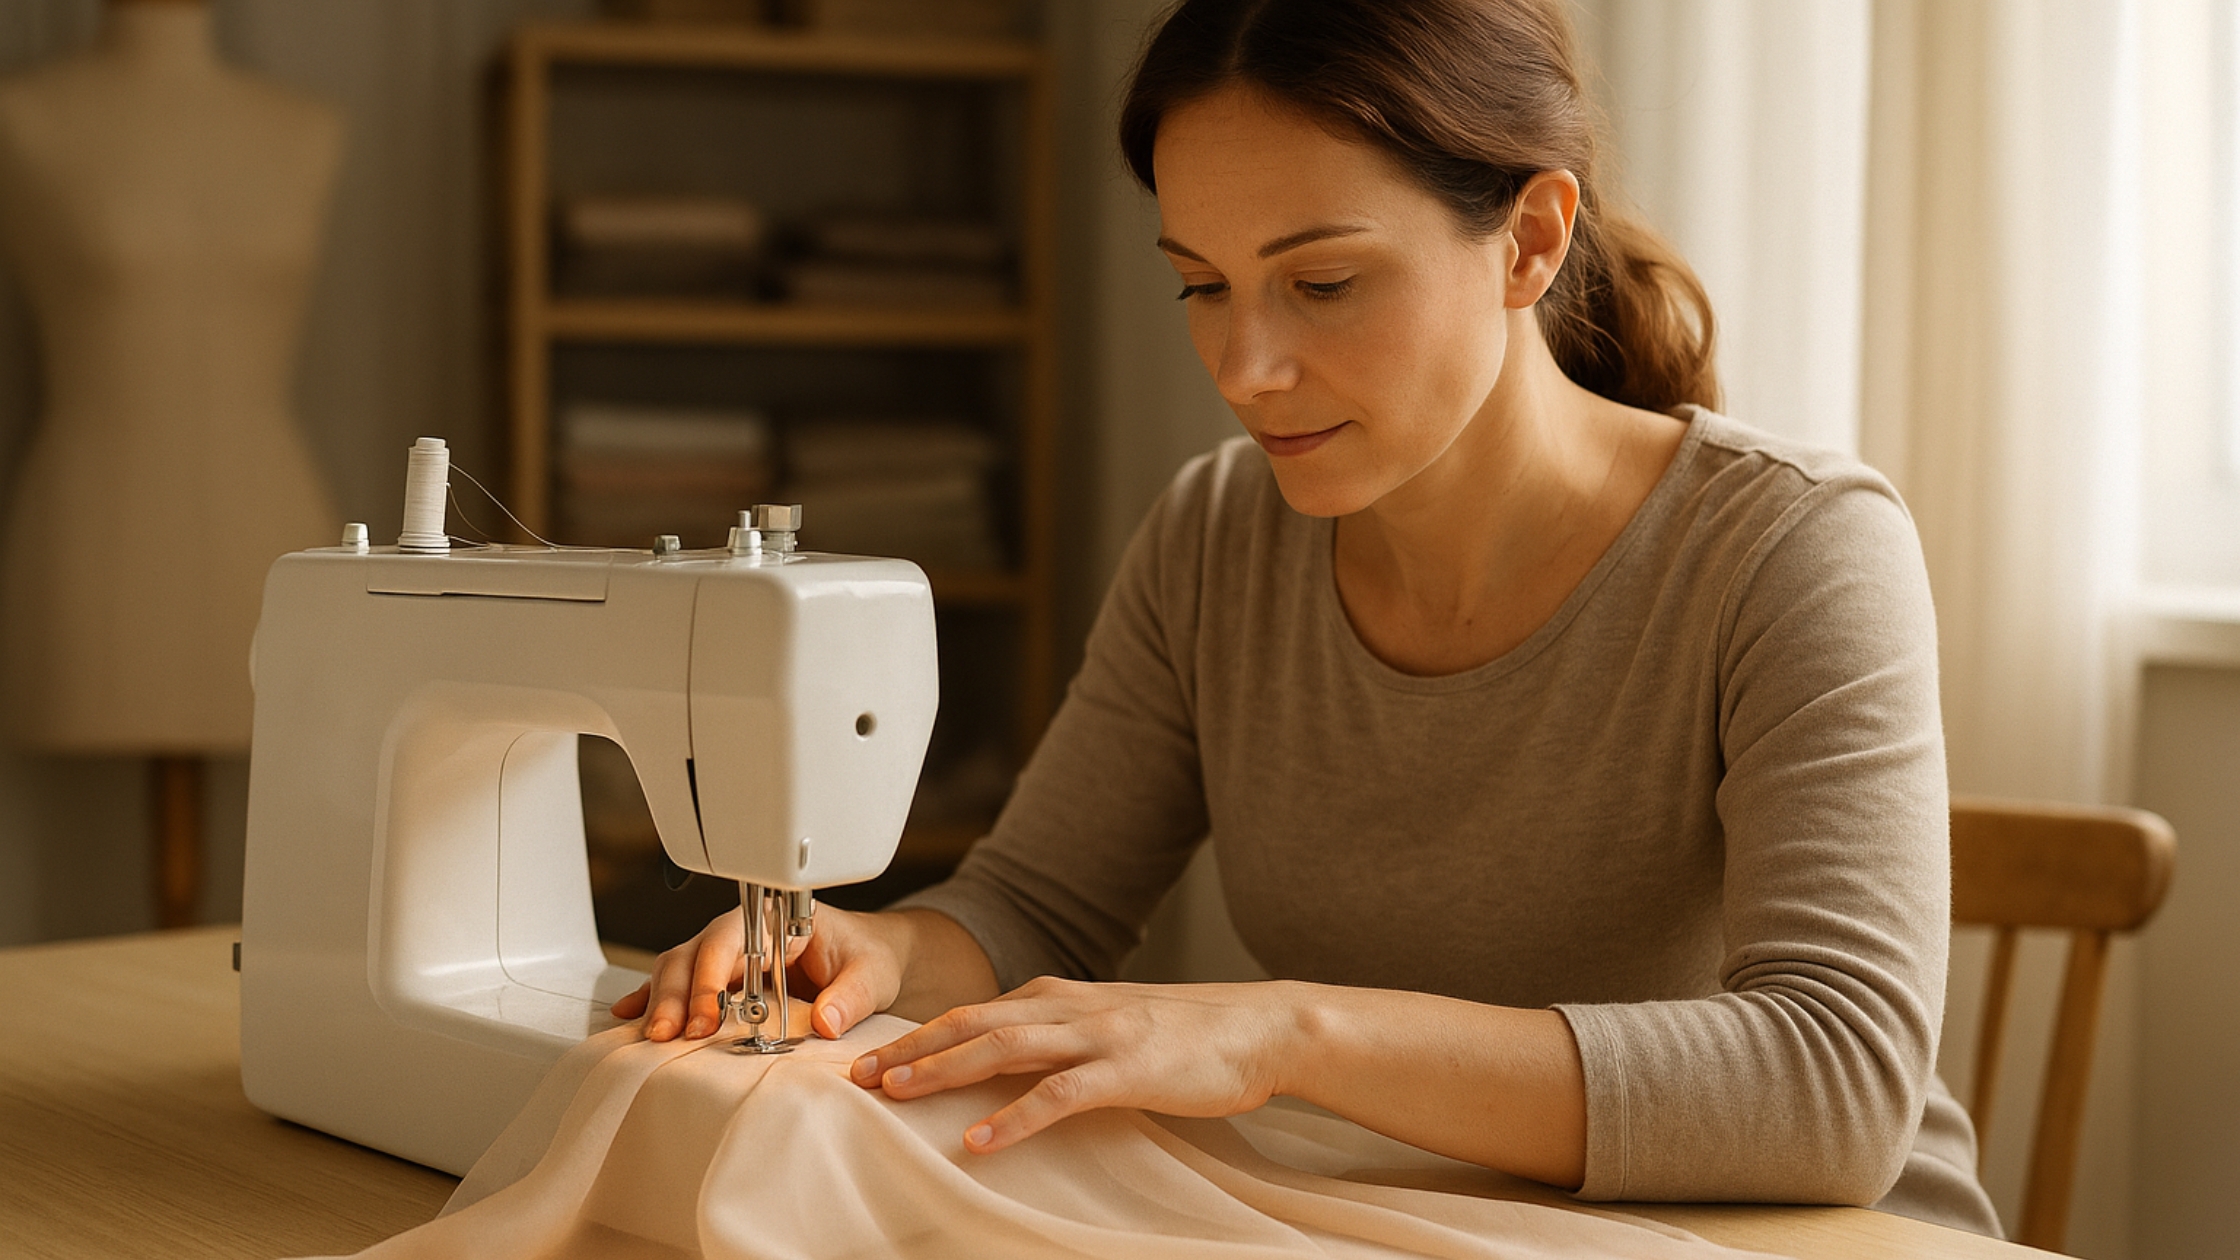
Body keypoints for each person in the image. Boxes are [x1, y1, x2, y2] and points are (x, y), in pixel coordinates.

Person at [613, 0, 2002, 1234]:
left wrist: (1284, 1036)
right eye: (1203, 285)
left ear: (1529, 239)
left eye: (1322, 283)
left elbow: (1836, 1086)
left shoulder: (1794, 548)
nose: (1246, 367)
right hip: (1413, 1221)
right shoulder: (1219, 537)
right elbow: (1037, 906)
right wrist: (872, 952)